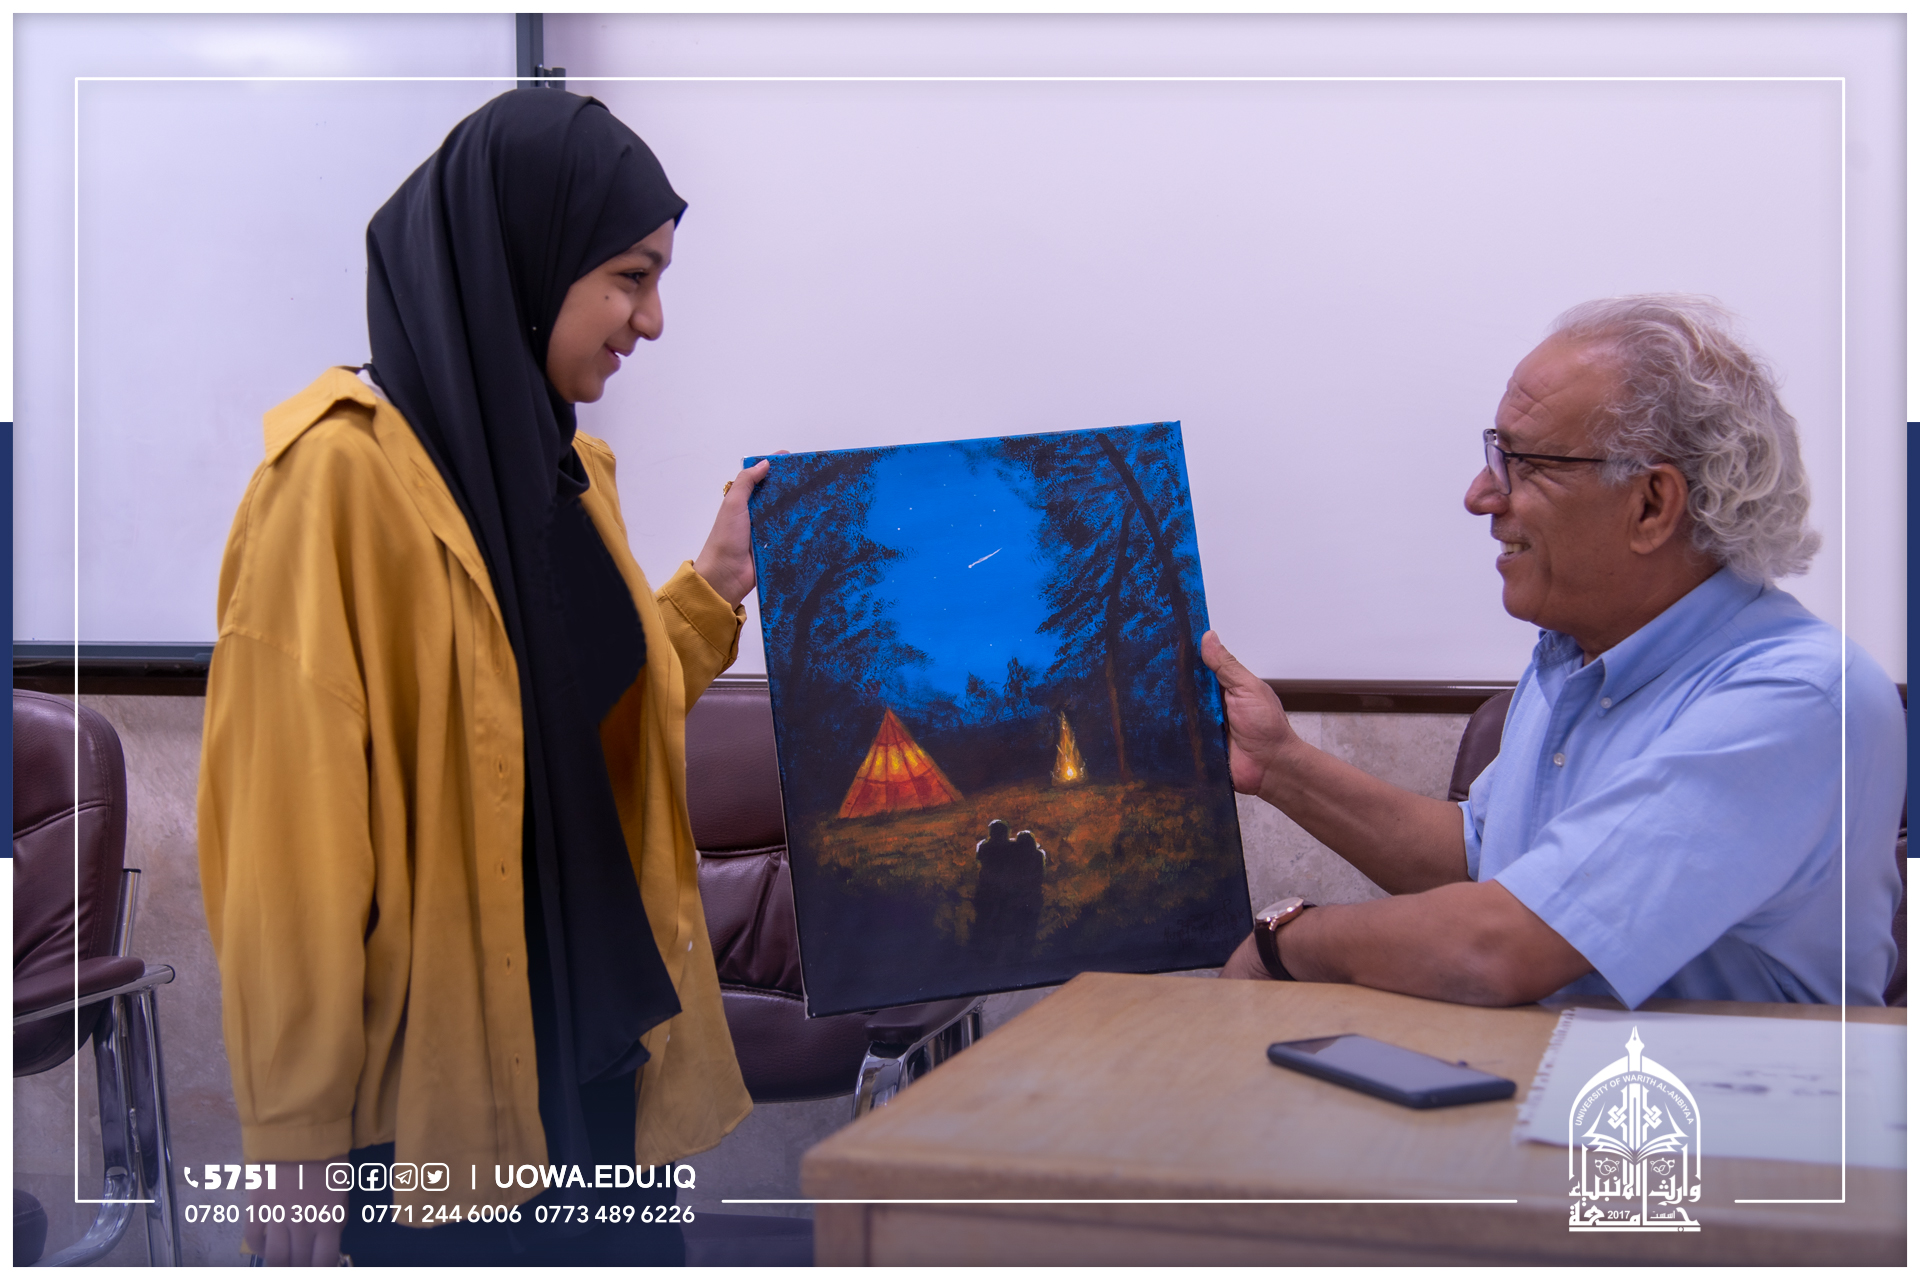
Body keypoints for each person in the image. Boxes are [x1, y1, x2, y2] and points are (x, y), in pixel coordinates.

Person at [197, 89, 766, 1265]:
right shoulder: (332, 483)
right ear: (527, 257)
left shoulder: (570, 474)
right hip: (449, 1108)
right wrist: (295, 1133)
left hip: (602, 1065)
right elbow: (286, 843)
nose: (653, 319)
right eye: (629, 276)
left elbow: (573, 726)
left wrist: (715, 580)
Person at [1204, 295, 1905, 1009]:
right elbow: (1481, 863)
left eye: (1524, 464)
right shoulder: (1572, 656)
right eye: (1494, 454)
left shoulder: (1801, 699)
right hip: (1537, 1074)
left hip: (1708, 1088)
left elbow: (1503, 945)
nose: (1481, 495)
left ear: (1652, 505)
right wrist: (1279, 764)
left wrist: (1285, 943)